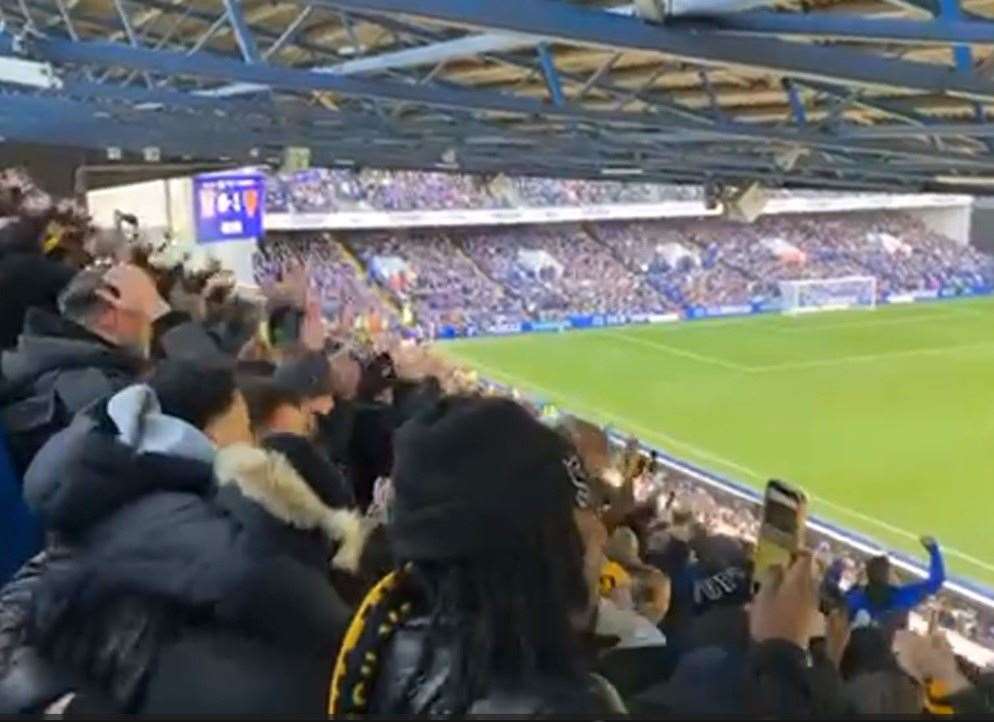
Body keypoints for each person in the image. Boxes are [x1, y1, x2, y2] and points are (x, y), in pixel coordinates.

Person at [0, 361, 350, 714]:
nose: (251, 440)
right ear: (212, 433)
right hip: (130, 674)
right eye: (243, 426)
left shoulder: (119, 474)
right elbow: (262, 582)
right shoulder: (172, 509)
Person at [329, 396, 625, 716]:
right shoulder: (566, 708)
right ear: (532, 549)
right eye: (579, 506)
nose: (600, 533)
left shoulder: (388, 645)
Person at [0, 263, 169, 477]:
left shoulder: (37, 360)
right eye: (148, 319)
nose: (151, 332)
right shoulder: (101, 394)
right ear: (109, 313)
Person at [841, 536, 945, 630]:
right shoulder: (901, 596)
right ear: (887, 576)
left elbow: (839, 614)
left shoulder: (854, 598)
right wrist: (934, 551)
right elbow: (936, 582)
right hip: (885, 646)